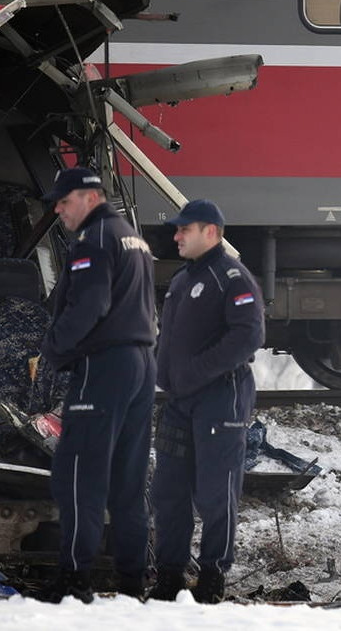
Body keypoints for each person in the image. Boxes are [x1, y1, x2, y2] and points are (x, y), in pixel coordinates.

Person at [33, 167, 157, 603]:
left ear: (89, 197)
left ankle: (74, 581)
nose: (59, 210)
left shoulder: (94, 240)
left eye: (64, 202)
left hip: (104, 366)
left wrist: (52, 351)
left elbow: (89, 305)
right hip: (141, 366)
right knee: (127, 479)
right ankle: (131, 581)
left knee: (77, 474)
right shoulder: (130, 236)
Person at [150, 199, 265, 604]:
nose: (176, 236)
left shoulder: (232, 277)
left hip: (221, 398)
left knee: (216, 492)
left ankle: (212, 577)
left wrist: (195, 372)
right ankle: (169, 577)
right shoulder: (184, 278)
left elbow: (248, 336)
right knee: (169, 491)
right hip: (179, 401)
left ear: (211, 233)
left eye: (185, 229)